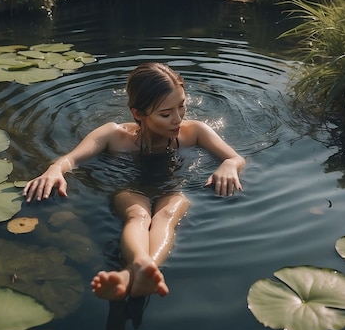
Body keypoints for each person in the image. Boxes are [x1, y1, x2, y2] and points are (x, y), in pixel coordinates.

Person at [23, 62, 246, 302]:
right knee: (138, 215)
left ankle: (135, 272)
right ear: (138, 113)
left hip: (172, 185)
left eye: (181, 106)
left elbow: (234, 157)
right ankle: (141, 265)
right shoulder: (113, 135)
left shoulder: (195, 132)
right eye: (165, 113)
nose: (178, 119)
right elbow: (70, 159)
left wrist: (229, 165)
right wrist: (54, 170)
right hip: (129, 186)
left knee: (168, 214)